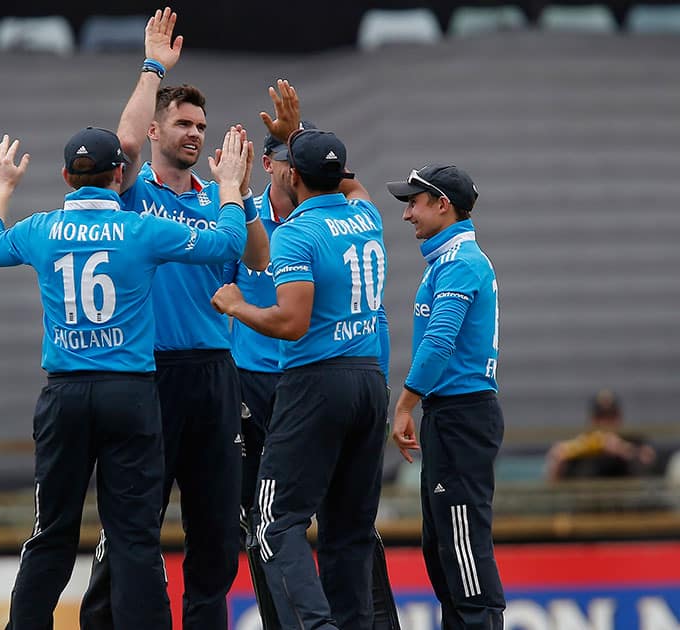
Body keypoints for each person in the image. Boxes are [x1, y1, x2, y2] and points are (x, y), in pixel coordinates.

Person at [0, 125, 251, 629]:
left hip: (65, 393)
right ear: (119, 175)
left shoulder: (42, 228)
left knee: (51, 533)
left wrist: (3, 186)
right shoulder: (140, 228)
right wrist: (229, 186)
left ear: (64, 177)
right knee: (133, 538)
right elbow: (229, 241)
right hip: (131, 394)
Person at [79, 8, 269, 630]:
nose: (194, 133)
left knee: (216, 536)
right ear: (159, 129)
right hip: (149, 373)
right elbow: (125, 143)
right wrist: (153, 68)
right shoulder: (134, 192)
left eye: (201, 125)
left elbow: (259, 260)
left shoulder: (221, 198)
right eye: (182, 123)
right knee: (132, 527)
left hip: (217, 373)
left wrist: (237, 191)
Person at [212, 80, 391, 630]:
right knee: (349, 528)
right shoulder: (367, 214)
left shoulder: (296, 232)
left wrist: (238, 306)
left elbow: (291, 323)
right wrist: (298, 135)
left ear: (289, 174)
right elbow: (349, 181)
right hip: (369, 381)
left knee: (271, 522)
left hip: (315, 381)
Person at [387, 163, 505, 629]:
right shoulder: (448, 260)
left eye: (414, 203)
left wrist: (404, 405)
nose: (407, 214)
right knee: (443, 547)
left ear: (443, 205)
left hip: (462, 414)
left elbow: (440, 342)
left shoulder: (459, 262)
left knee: (463, 546)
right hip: (450, 413)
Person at [546, 389, 657, 480]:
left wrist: (623, 450)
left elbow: (649, 462)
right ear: (591, 419)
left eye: (611, 417)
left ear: (619, 418)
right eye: (600, 417)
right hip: (587, 504)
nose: (605, 423)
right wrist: (557, 465)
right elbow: (555, 483)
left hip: (627, 504)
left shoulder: (633, 440)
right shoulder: (579, 445)